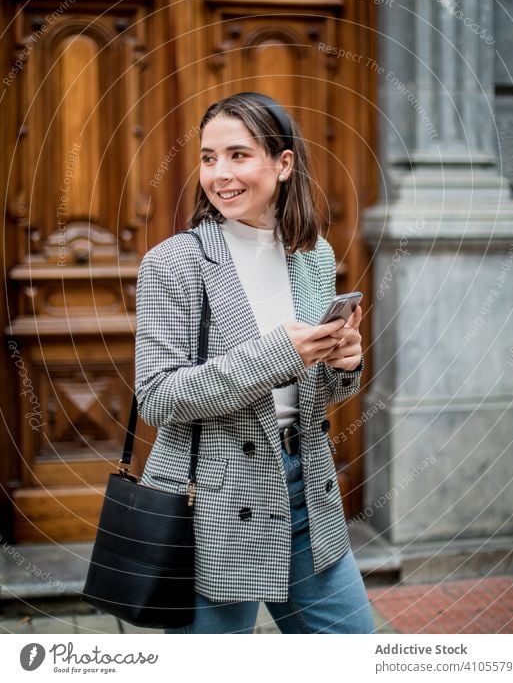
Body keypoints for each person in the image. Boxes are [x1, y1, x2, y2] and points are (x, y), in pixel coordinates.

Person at [134, 92, 375, 634]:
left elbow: (308, 396)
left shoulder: (311, 255)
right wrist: (278, 354)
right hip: (213, 503)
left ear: (284, 163)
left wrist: (341, 365)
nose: (220, 174)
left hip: (305, 492)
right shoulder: (175, 264)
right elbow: (157, 397)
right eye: (209, 158)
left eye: (239, 155)